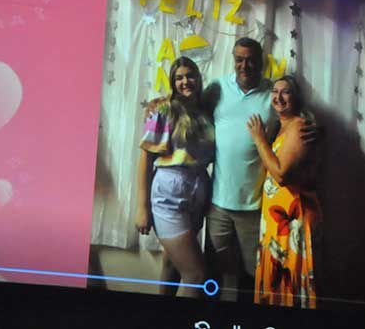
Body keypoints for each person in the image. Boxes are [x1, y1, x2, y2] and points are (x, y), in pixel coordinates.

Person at [202, 38, 317, 301]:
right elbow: (190, 109)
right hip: (218, 203)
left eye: (251, 60)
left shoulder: (272, 94)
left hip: (254, 206)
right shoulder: (217, 88)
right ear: (233, 60)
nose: (245, 65)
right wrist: (161, 105)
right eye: (239, 59)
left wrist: (316, 129)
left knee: (253, 275)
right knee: (217, 272)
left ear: (261, 62)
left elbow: (296, 119)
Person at [135, 57, 215, 298]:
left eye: (190, 75)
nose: (185, 81)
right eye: (179, 78)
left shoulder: (204, 113)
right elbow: (146, 157)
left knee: (172, 263)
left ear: (198, 78)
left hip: (197, 195)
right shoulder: (163, 109)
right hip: (169, 196)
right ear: (173, 82)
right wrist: (142, 208)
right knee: (197, 275)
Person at [247, 75, 321, 308]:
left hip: (293, 218)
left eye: (285, 92)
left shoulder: (299, 126)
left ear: (296, 97)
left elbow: (281, 175)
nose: (278, 97)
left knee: (289, 283)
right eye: (275, 91)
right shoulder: (280, 127)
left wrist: (259, 139)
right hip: (278, 220)